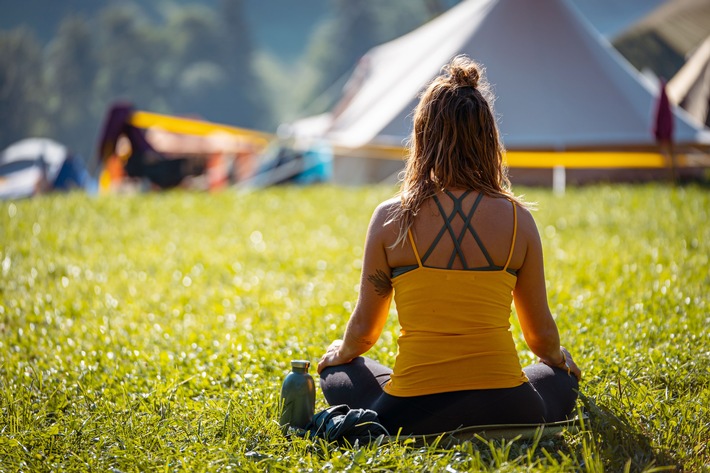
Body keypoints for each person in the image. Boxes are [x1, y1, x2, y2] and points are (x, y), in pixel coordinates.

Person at [317, 55, 581, 436]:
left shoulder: (392, 217)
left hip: (409, 414)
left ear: (422, 136)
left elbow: (363, 333)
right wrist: (559, 361)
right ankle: (495, 419)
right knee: (558, 376)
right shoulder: (519, 219)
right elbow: (540, 336)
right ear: (489, 139)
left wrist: (340, 355)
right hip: (513, 407)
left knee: (340, 370)